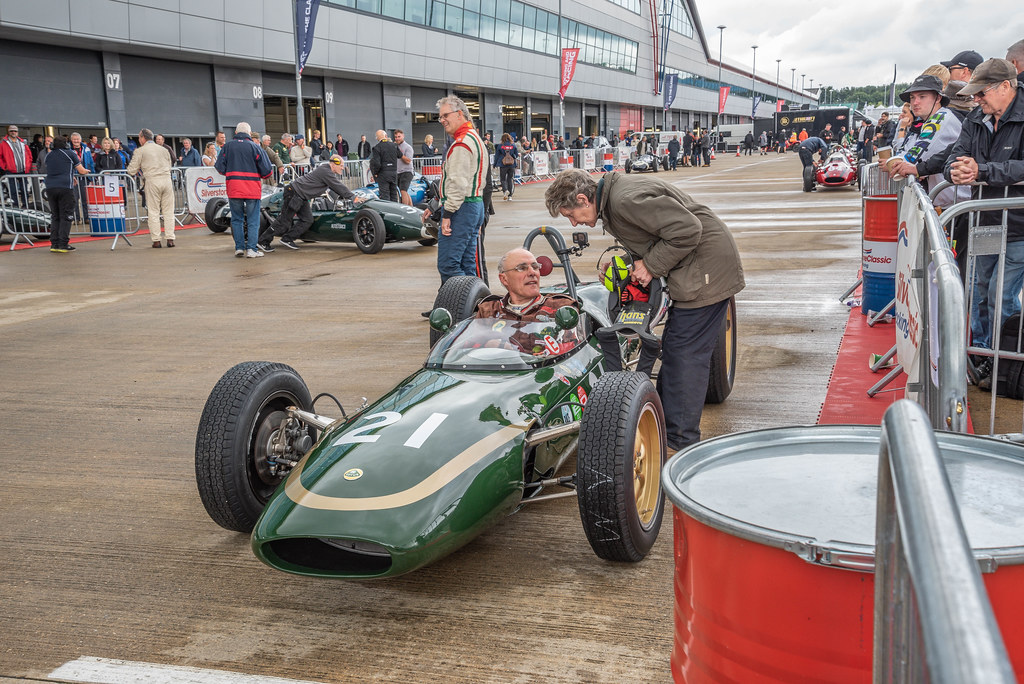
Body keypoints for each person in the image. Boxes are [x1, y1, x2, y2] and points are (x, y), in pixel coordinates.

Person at [544, 168, 745, 451]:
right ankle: (666, 427)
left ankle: (680, 442)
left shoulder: (625, 200)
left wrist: (650, 266)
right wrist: (628, 264)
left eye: (570, 215)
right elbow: (654, 234)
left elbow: (688, 230)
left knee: (685, 357)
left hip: (705, 270)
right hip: (696, 266)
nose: (574, 222)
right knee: (675, 351)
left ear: (582, 199)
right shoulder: (614, 199)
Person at [944, 59, 1024, 383]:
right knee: (978, 291)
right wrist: (955, 170)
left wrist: (983, 171)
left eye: (981, 93)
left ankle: (1003, 364)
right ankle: (981, 355)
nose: (976, 100)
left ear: (1005, 87)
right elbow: (955, 154)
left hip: (1018, 225)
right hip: (984, 221)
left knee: (1000, 294)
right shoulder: (976, 117)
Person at [429, 95, 487, 285]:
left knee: (449, 264)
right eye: (440, 117)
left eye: (445, 115)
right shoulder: (474, 138)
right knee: (466, 262)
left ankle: (458, 300)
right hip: (474, 205)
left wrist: (447, 214)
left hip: (462, 207)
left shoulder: (462, 143)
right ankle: (472, 299)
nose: (442, 120)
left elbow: (457, 183)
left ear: (459, 114)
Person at [886, 74, 966, 209]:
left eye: (922, 97)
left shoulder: (941, 118)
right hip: (951, 202)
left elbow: (912, 159)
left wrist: (893, 163)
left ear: (938, 98)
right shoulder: (932, 119)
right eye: (912, 97)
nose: (915, 102)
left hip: (957, 205)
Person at [259, 154, 361, 251]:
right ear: (334, 164)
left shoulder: (326, 171)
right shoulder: (326, 171)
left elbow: (335, 188)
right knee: (283, 221)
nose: (343, 168)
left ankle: (287, 238)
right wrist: (353, 197)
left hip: (301, 196)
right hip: (294, 193)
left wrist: (348, 196)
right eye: (341, 165)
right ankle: (262, 241)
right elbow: (338, 186)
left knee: (307, 220)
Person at [215, 121, 273, 258]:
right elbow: (267, 171)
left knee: (236, 219)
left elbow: (219, 167)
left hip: (234, 187)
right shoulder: (256, 147)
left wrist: (230, 173)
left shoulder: (227, 147)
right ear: (249, 133)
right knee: (253, 220)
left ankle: (239, 247)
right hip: (252, 188)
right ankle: (252, 249)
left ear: (236, 133)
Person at [475, 248, 578, 320]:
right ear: (504, 279)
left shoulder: (562, 308)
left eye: (535, 267)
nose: (532, 272)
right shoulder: (488, 311)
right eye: (522, 268)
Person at [126, 128, 176, 248]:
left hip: (152, 180)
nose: (139, 140)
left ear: (143, 138)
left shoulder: (140, 151)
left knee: (153, 211)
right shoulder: (164, 149)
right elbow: (169, 164)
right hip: (166, 179)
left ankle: (156, 240)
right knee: (169, 211)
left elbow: (131, 170)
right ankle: (170, 239)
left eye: (139, 137)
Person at [43, 136, 89, 253]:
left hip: (50, 187)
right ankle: (63, 243)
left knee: (55, 216)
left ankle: (54, 244)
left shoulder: (49, 155)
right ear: (66, 144)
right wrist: (87, 171)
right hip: (65, 187)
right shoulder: (70, 153)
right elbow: (81, 170)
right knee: (66, 215)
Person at [1, 124, 32, 207]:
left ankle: (25, 205)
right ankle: (15, 206)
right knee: (13, 190)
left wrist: (28, 165)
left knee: (24, 189)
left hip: (22, 169)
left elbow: (29, 154)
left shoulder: (22, 142)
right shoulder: (3, 143)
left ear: (17, 132)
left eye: (15, 131)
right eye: (11, 131)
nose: (13, 132)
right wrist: (5, 166)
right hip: (10, 170)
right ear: (8, 132)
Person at [369, 129, 399, 202]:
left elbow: (377, 163)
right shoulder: (394, 145)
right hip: (393, 172)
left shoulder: (377, 147)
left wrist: (375, 173)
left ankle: (387, 209)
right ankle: (395, 208)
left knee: (385, 196)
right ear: (386, 136)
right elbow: (400, 155)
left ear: (377, 138)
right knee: (394, 194)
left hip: (383, 174)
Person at [495, 132, 517, 201]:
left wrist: (495, 164)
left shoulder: (500, 146)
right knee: (509, 179)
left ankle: (505, 190)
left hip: (503, 164)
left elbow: (497, 156)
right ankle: (510, 196)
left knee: (503, 179)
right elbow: (516, 155)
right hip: (511, 165)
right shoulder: (513, 145)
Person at [394, 128, 414, 206]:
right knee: (403, 191)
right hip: (398, 172)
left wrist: (400, 155)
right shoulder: (395, 146)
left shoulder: (408, 147)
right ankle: (411, 207)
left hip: (407, 171)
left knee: (403, 191)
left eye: (399, 136)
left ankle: (404, 209)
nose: (397, 138)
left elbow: (408, 160)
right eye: (396, 137)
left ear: (403, 136)